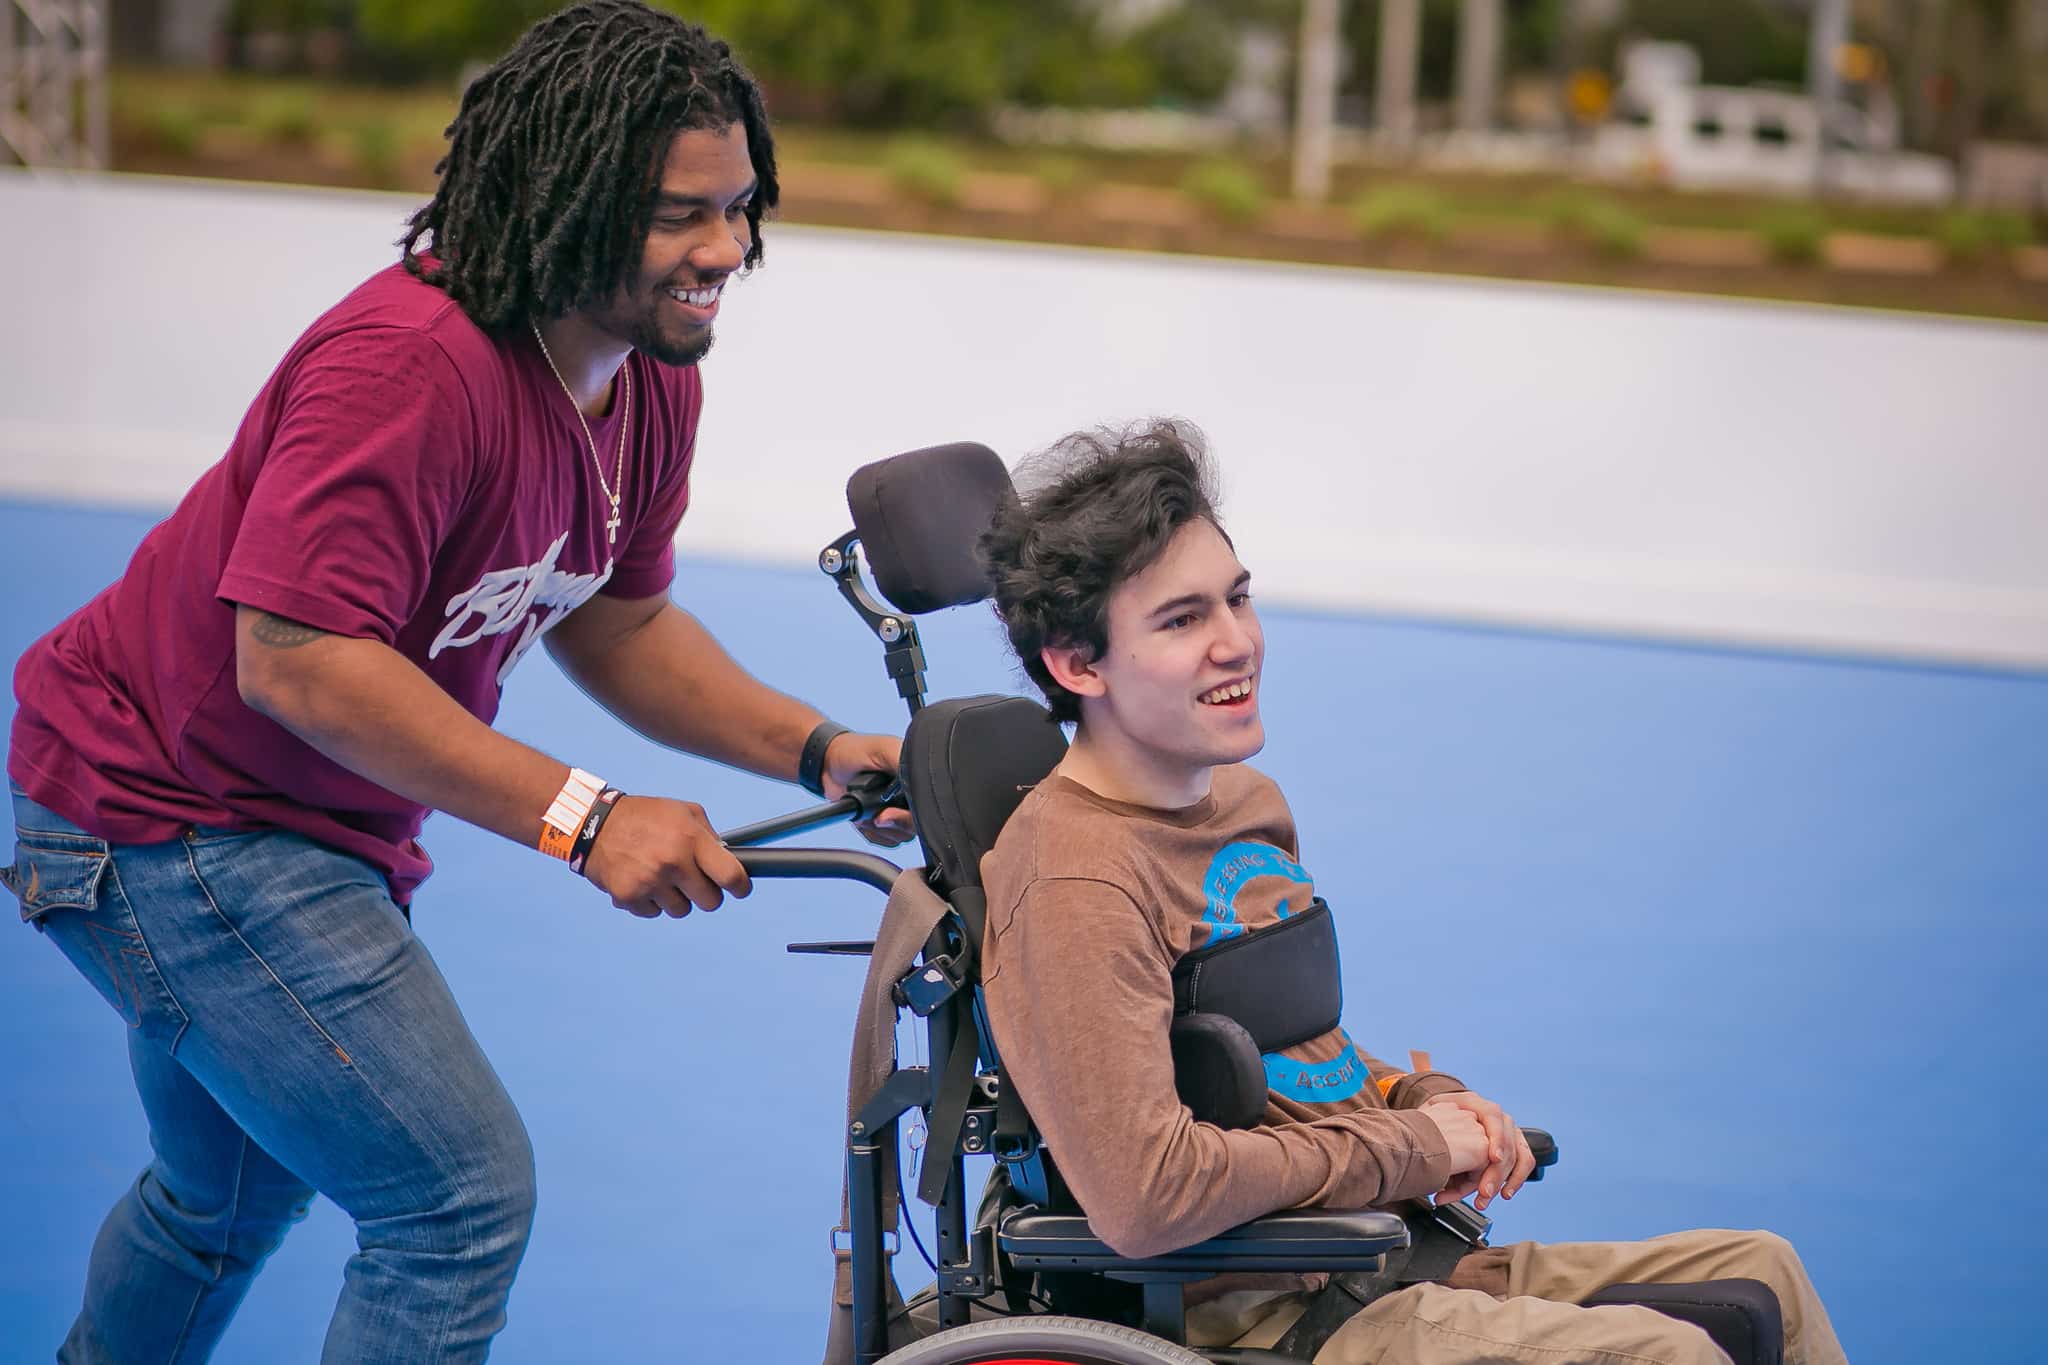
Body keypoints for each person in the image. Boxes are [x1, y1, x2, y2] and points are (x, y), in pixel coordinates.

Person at [1, 3, 910, 1360]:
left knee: (226, 1198)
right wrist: (586, 819)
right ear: (565, 195)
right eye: (678, 216)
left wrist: (821, 748)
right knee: (455, 1203)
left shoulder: (648, 378)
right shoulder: (411, 364)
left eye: (739, 209)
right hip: (159, 814)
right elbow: (295, 659)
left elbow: (615, 621)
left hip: (291, 824)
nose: (725, 250)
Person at [972, 420, 1847, 1365]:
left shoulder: (1243, 801)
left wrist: (1424, 1096)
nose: (1238, 643)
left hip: (1377, 1255)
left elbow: (1297, 1057)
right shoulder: (1076, 883)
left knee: (1768, 1277)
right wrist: (1416, 1145)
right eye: (1183, 620)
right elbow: (1148, 1195)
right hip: (1256, 1308)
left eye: (1239, 598)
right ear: (1079, 664)